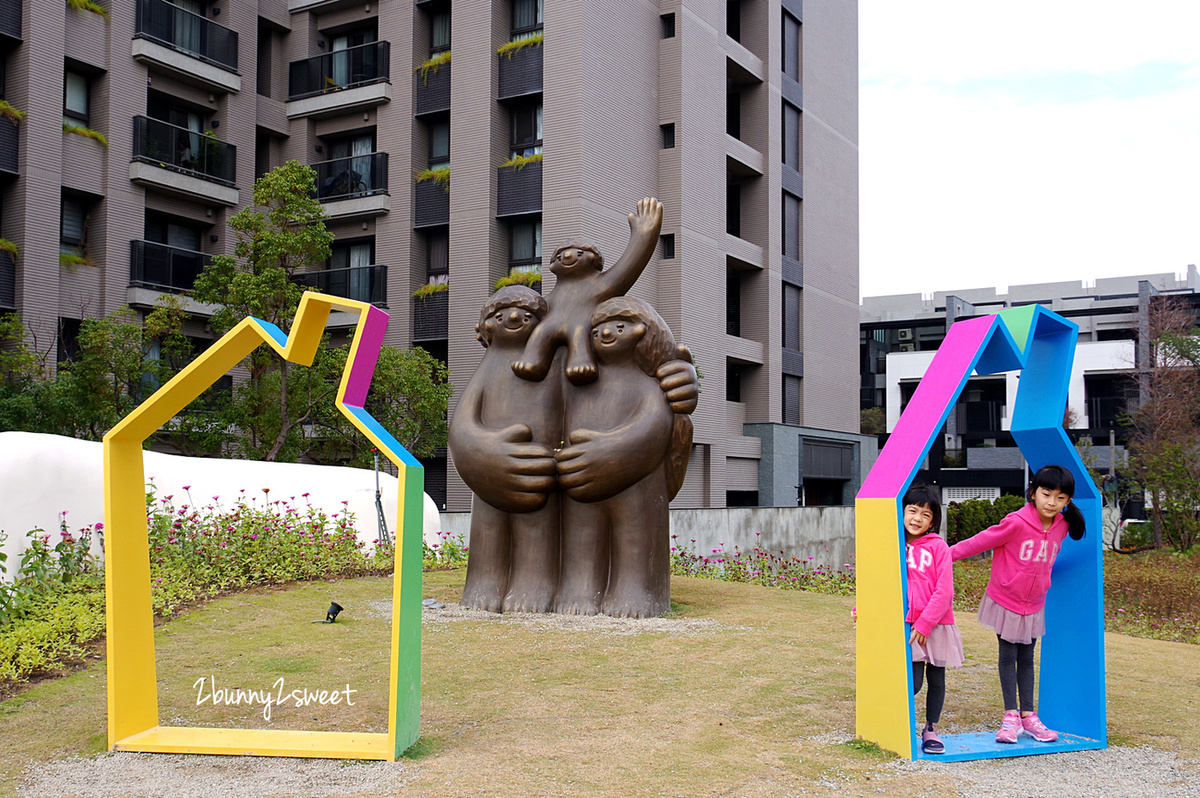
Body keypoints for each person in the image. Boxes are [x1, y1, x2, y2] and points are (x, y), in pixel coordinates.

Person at [949, 464, 1087, 744]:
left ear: (1068, 500)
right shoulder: (1016, 522)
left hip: (1034, 603)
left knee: (1027, 659)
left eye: (1060, 498)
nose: (1052, 502)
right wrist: (942, 556)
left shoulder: (1062, 525)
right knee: (1008, 656)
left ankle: (1029, 717)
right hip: (1006, 599)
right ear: (1033, 492)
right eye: (1046, 494)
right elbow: (979, 542)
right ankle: (1010, 716)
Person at [902, 484, 962, 755]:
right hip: (908, 625)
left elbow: (944, 590)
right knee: (912, 682)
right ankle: (900, 722)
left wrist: (926, 623)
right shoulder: (895, 545)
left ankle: (930, 729)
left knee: (937, 680)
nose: (917, 519)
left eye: (925, 515)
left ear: (933, 520)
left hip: (935, 625)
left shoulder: (939, 547)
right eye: (912, 511)